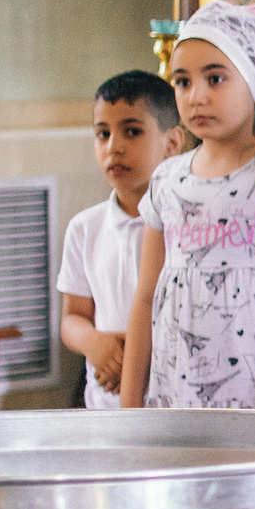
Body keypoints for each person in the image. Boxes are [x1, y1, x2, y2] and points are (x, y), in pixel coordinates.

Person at [121, 3, 255, 411]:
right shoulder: (166, 180)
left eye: (215, 78)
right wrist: (128, 406)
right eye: (182, 81)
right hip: (176, 391)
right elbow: (145, 298)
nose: (196, 96)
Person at [59, 71, 182, 409]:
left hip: (171, 395)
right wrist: (97, 346)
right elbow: (73, 317)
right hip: (105, 402)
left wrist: (136, 354)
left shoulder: (185, 224)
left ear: (173, 143)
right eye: (103, 133)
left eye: (132, 131)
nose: (114, 146)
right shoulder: (85, 227)